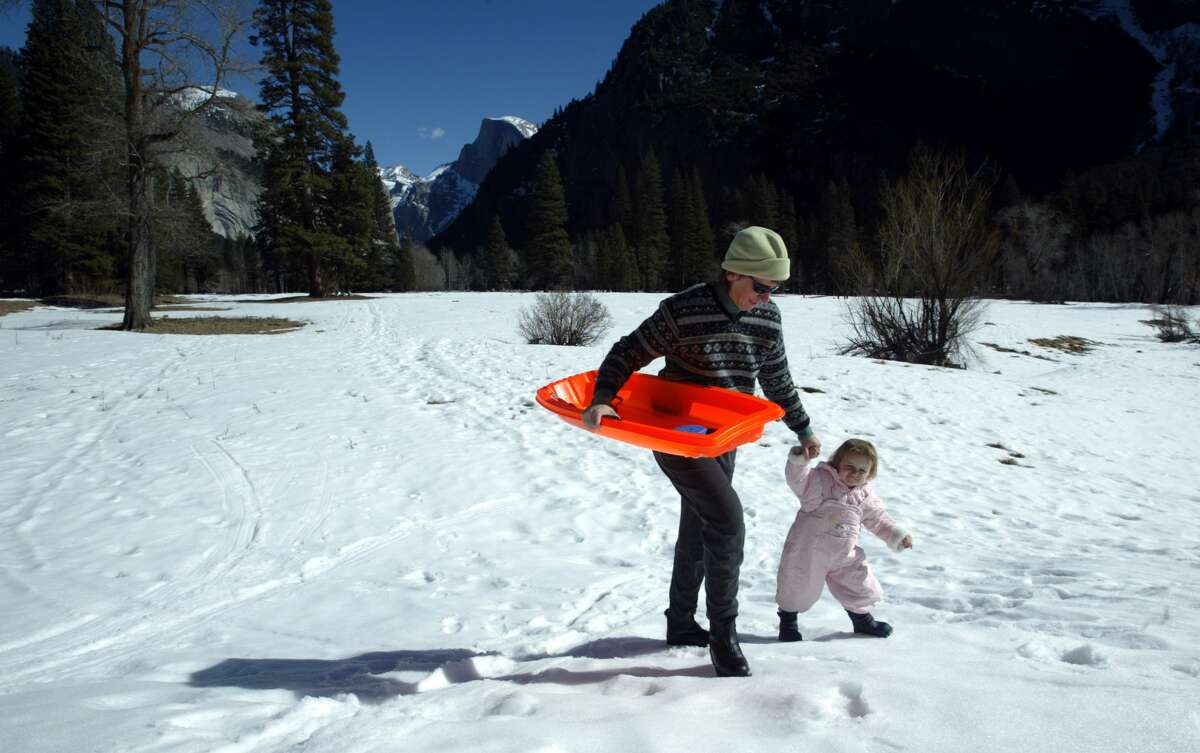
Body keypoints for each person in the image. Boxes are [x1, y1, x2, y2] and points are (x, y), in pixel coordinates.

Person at [581, 226, 821, 678]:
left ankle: (679, 622)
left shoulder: (767, 320)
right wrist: (603, 397)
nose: (767, 298)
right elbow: (626, 352)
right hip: (677, 436)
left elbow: (775, 377)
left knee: (701, 522)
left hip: (726, 435)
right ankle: (723, 636)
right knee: (727, 521)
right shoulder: (683, 310)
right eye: (761, 287)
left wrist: (802, 426)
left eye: (775, 290)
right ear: (733, 273)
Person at [775, 438, 913, 642]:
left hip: (844, 553)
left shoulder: (864, 496)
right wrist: (800, 461)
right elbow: (798, 480)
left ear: (870, 474)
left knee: (859, 583)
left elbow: (878, 519)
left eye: (862, 471)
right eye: (849, 467)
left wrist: (896, 535)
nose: (855, 474)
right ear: (837, 463)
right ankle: (788, 622)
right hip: (809, 551)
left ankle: (862, 619)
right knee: (797, 585)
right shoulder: (820, 482)